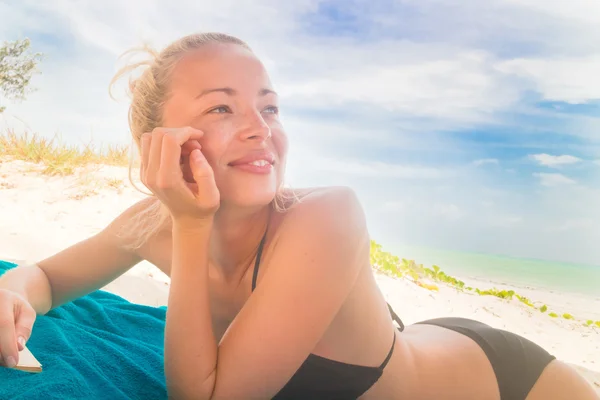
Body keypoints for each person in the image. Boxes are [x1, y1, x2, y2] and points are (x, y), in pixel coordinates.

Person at [0, 32, 597, 400]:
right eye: (222, 107)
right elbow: (48, 279)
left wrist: (190, 223)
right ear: (160, 141)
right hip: (404, 335)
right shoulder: (147, 224)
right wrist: (12, 291)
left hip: (505, 380)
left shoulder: (327, 216)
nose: (261, 126)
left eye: (270, 106)